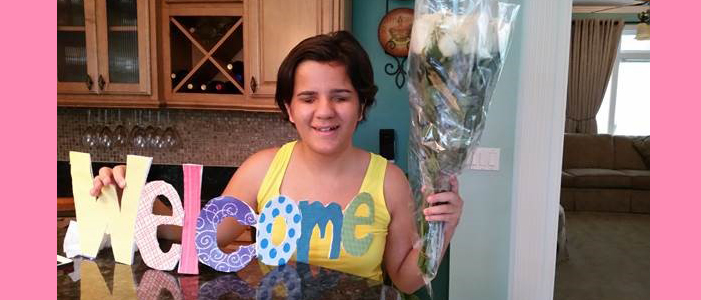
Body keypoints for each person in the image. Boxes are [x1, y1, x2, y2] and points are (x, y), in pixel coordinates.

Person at [90, 31, 463, 293]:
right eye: (307, 98)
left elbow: (405, 279)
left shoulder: (390, 181)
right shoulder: (262, 169)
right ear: (288, 108)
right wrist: (134, 198)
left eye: (340, 96)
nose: (324, 112)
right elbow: (198, 236)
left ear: (361, 105)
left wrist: (443, 230)